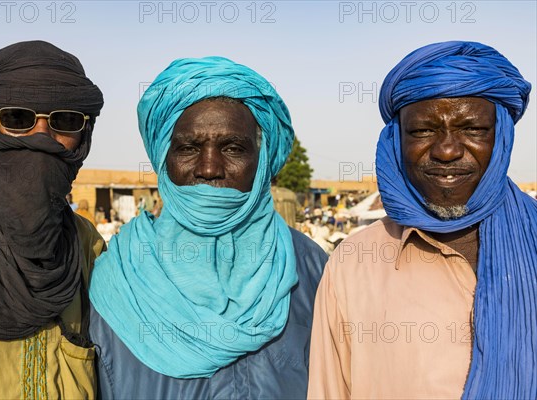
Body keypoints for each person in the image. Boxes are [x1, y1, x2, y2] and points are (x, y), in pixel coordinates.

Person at [308, 41, 536, 399]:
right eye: (423, 131)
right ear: (396, 141)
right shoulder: (353, 264)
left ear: (502, 136)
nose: (447, 150)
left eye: (473, 129)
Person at [89, 56, 328, 399]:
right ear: (163, 158)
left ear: (261, 163)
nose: (210, 168)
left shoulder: (311, 270)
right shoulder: (118, 274)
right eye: (188, 148)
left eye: (233, 148)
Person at [0, 41, 105, 399]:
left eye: (65, 121)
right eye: (17, 118)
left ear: (81, 139)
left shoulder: (88, 246)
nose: (41, 137)